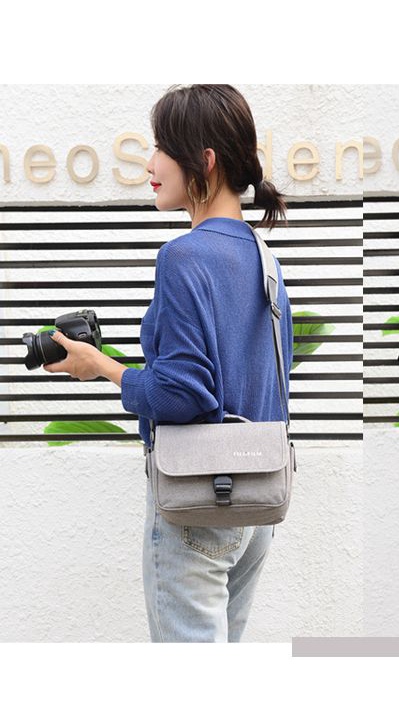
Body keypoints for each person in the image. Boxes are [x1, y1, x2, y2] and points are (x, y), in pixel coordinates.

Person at [44, 84, 293, 642]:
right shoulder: (264, 258)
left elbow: (182, 394)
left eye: (161, 147)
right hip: (255, 511)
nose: (149, 164)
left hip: (197, 507)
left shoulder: (183, 256)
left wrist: (102, 367)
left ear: (204, 160)